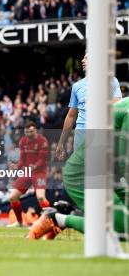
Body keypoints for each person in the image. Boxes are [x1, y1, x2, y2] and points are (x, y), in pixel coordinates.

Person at [30, 97, 129, 240]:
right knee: (121, 229)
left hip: (108, 172)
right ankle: (57, 218)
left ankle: (70, 213)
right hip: (84, 172)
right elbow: (123, 162)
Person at [56, 54, 122, 160]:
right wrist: (61, 142)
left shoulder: (112, 81)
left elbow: (117, 108)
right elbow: (71, 116)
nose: (82, 60)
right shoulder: (76, 86)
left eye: (86, 58)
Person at [7, 120, 50, 227]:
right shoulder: (23, 141)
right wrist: (17, 166)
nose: (28, 134)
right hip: (27, 172)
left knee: (40, 197)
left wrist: (34, 166)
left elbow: (43, 159)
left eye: (31, 132)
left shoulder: (43, 141)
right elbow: (22, 159)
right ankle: (20, 222)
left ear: (35, 130)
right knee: (12, 197)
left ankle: (50, 222)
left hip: (39, 173)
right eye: (26, 132)